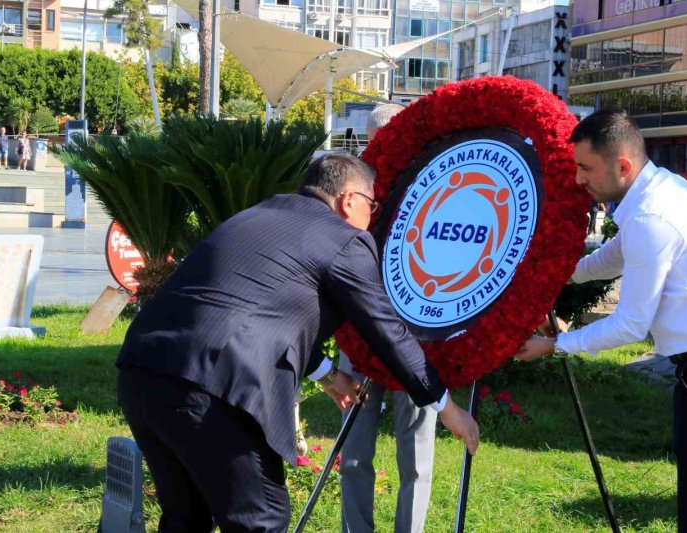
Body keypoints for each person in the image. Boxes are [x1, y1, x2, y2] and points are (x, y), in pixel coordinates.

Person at [116, 153, 480, 533]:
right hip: (213, 389)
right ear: (349, 200)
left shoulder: (260, 214)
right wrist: (446, 406)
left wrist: (325, 372)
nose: (371, 218)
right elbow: (386, 329)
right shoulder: (345, 239)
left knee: (185, 518)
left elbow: (258, 306)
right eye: (371, 205)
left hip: (142, 369)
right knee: (261, 520)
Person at [516, 110, 687, 533]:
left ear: (622, 166)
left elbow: (630, 326)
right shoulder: (652, 195)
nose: (578, 178)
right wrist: (554, 272)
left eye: (585, 167)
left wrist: (556, 345)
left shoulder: (653, 215)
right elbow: (613, 256)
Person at [338, 103, 437, 533]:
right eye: (375, 141)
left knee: (415, 456)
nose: (382, 150)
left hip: (415, 338)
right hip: (359, 335)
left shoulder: (430, 181)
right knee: (354, 452)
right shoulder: (349, 190)